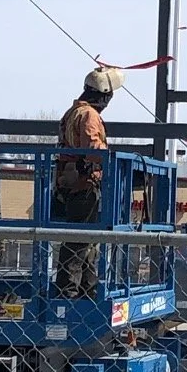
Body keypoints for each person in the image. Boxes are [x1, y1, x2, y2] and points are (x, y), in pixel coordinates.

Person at [53, 65, 122, 297]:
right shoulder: (90, 115)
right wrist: (111, 160)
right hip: (85, 185)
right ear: (103, 95)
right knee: (79, 243)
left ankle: (86, 290)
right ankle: (70, 293)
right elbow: (94, 150)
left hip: (72, 184)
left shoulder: (72, 112)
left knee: (87, 243)